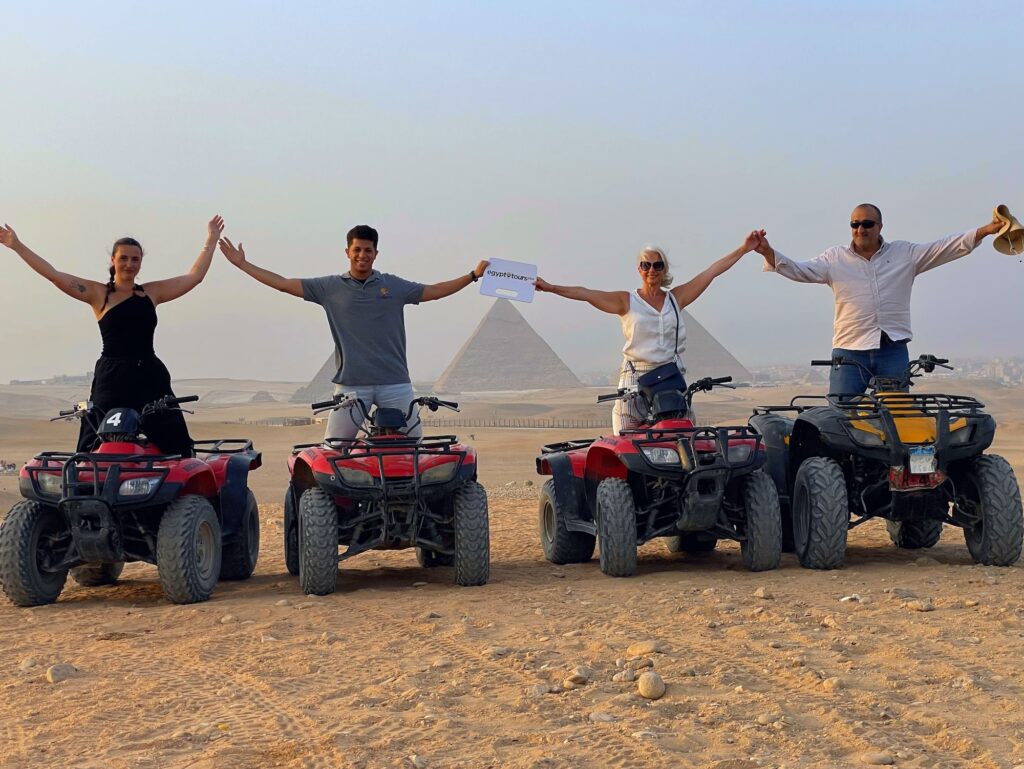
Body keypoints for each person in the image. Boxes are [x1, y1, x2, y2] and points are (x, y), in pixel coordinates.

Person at [219, 224, 488, 440]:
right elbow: (283, 284)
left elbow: (435, 291)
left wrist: (472, 276)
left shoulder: (393, 286)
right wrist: (244, 265)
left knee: (414, 448)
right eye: (357, 250)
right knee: (335, 451)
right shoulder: (329, 288)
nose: (362, 255)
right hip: (351, 385)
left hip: (395, 383)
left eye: (368, 250)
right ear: (347, 252)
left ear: (376, 253)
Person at [0, 216, 225, 456]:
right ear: (113, 260)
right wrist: (18, 246)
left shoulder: (152, 292)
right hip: (112, 378)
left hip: (149, 374)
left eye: (135, 259)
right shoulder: (98, 294)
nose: (130, 264)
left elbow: (194, 277)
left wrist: (210, 240)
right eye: (124, 258)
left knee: (178, 444)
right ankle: (88, 490)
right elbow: (54, 275)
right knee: (91, 444)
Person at [756, 204, 1005, 395]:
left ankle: (895, 465)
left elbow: (946, 247)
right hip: (850, 351)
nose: (860, 230)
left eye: (867, 224)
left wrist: (986, 230)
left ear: (880, 227)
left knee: (898, 419)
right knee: (841, 419)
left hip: (892, 349)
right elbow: (800, 270)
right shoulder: (835, 258)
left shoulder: (904, 254)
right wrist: (768, 251)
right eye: (854, 224)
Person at [535, 232, 764, 432]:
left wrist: (744, 249)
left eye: (657, 265)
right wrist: (551, 287)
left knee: (684, 441)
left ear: (664, 269)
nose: (651, 270)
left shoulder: (676, 299)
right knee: (628, 448)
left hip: (670, 379)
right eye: (646, 265)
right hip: (635, 380)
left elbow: (711, 272)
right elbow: (586, 293)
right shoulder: (626, 301)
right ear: (639, 269)